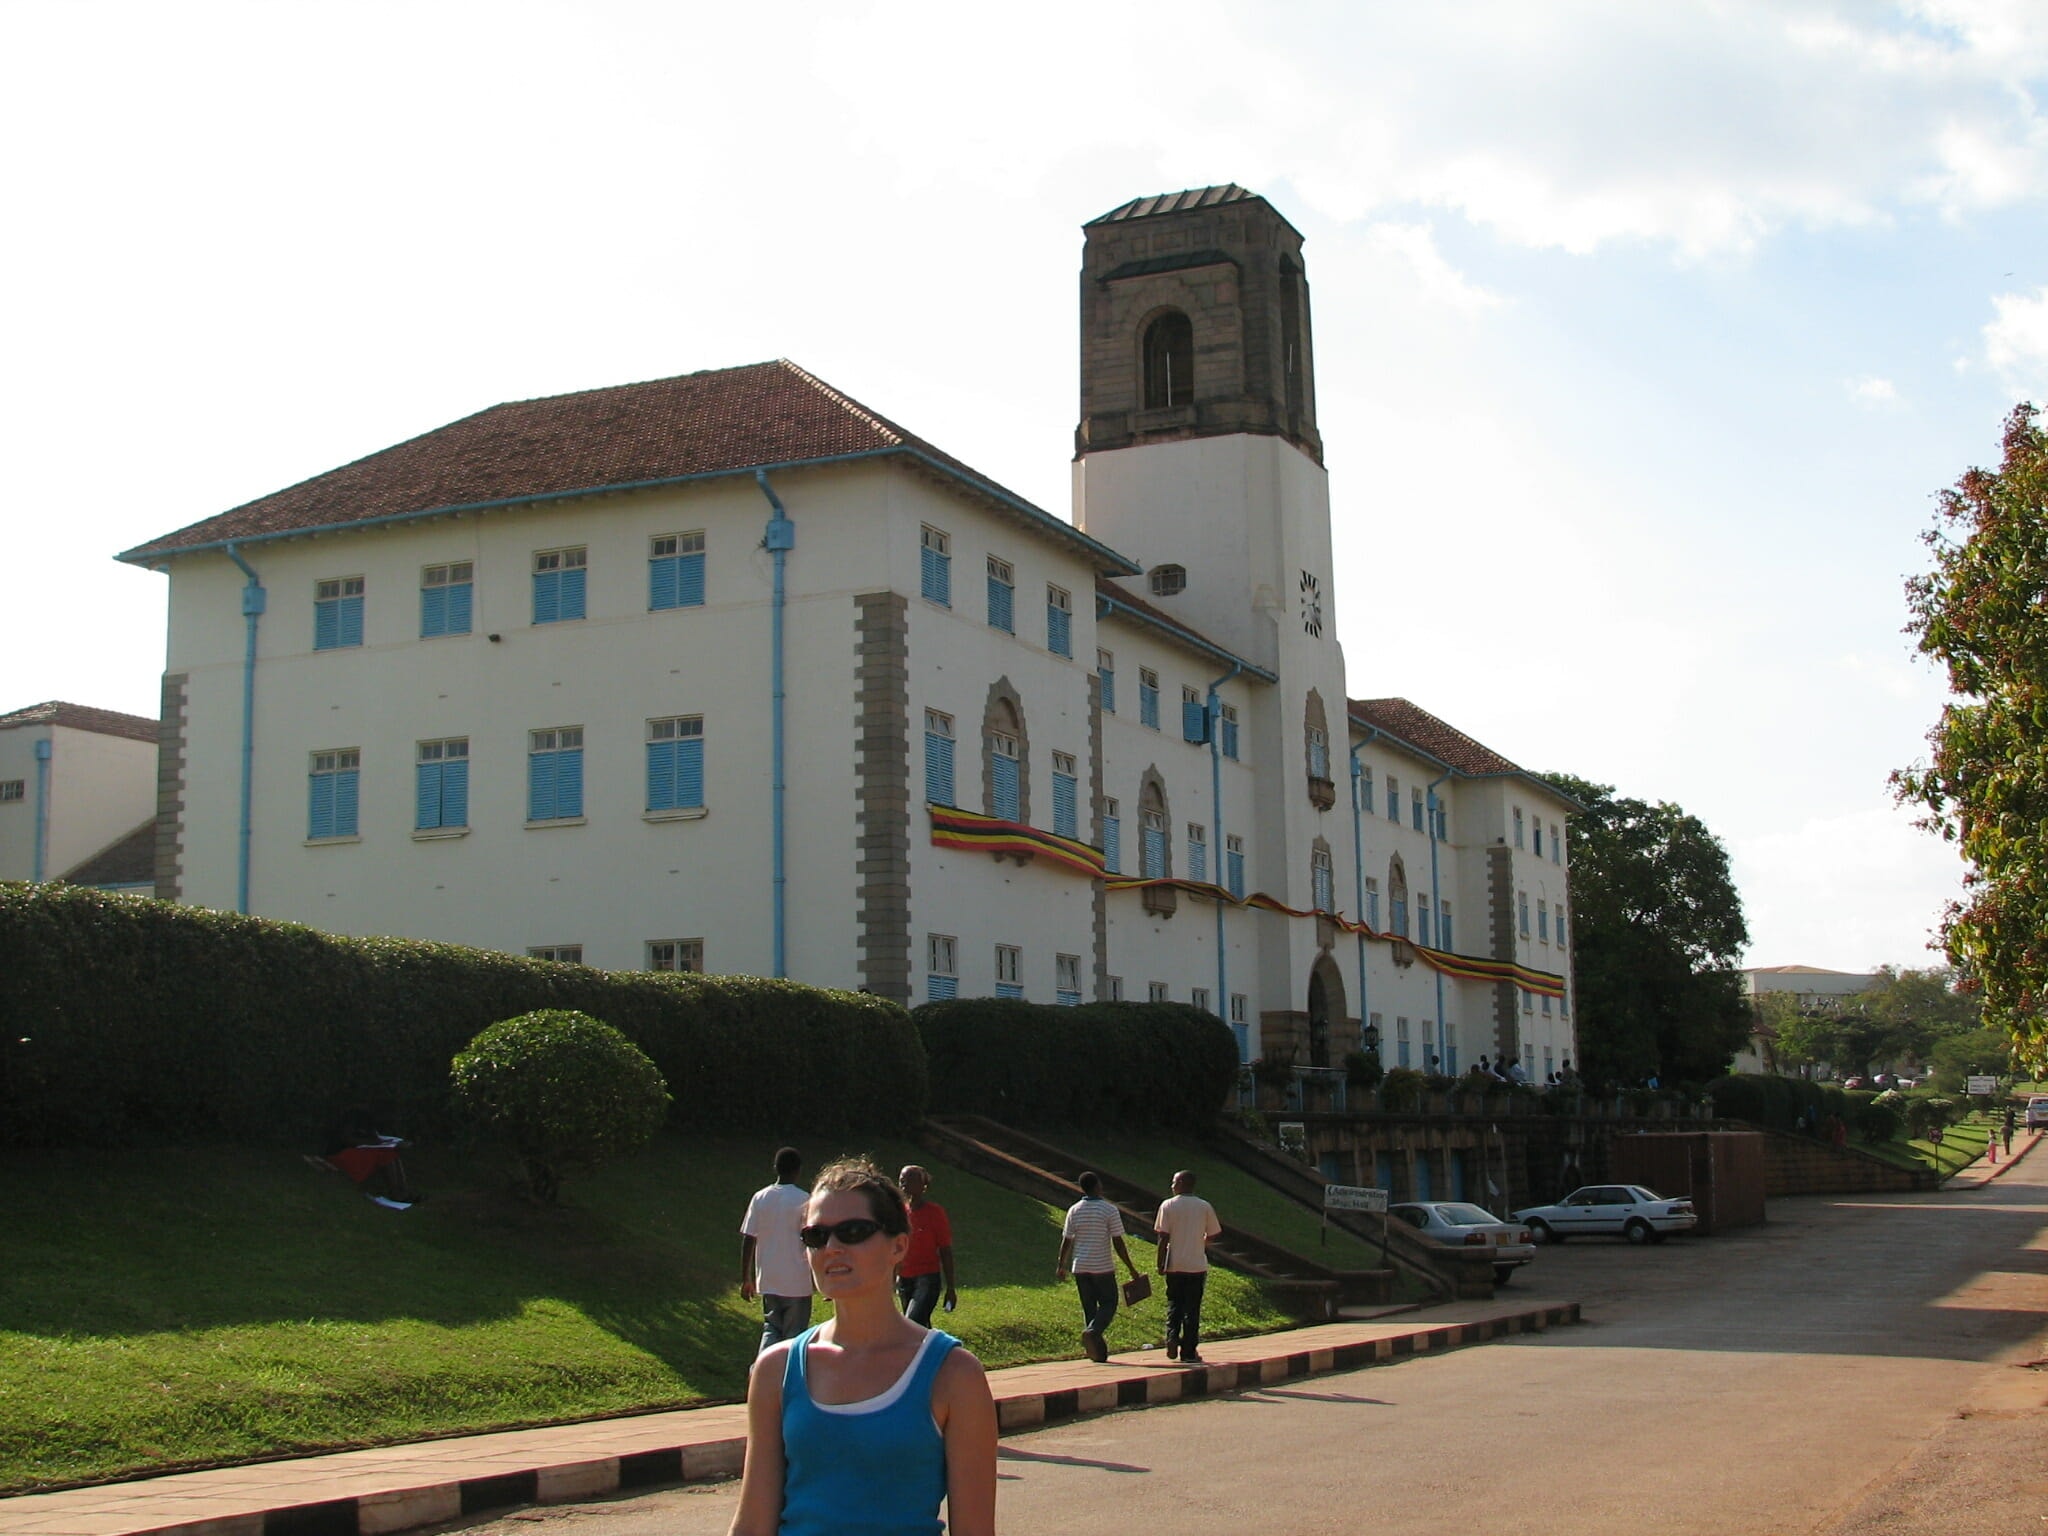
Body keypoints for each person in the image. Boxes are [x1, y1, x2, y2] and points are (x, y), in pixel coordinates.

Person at [728, 1157, 996, 1536]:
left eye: (853, 1231)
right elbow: (753, 1524)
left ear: (898, 1246)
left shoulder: (954, 1374)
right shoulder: (776, 1370)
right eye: (815, 1236)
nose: (832, 1247)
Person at [1056, 1171, 1141, 1363]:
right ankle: (1093, 1332)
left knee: (1089, 1308)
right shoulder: (1109, 1210)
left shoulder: (1074, 1210)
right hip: (1101, 1266)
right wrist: (1131, 1268)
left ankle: (1096, 1352)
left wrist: (1061, 1264)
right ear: (1097, 1186)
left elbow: (1067, 1240)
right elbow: (1118, 1242)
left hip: (1080, 1266)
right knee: (1109, 1302)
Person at [741, 1147, 814, 1356]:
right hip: (797, 1280)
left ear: (775, 1168)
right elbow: (813, 1240)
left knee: (771, 1328)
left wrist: (746, 1277)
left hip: (769, 1278)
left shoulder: (761, 1197)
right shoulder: (805, 1200)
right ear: (798, 1170)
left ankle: (761, 1372)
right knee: (795, 1334)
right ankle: (787, 1380)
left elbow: (749, 1238)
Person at [1153, 1170, 1222, 1364]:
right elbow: (1214, 1232)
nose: (1172, 1186)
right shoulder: (1204, 1206)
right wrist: (1203, 1242)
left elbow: (1163, 1236)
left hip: (1175, 1264)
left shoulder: (1168, 1205)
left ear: (1183, 1183)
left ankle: (1172, 1335)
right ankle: (1189, 1351)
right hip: (1196, 1264)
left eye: (1174, 1182)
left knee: (1174, 1303)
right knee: (1192, 1308)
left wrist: (1160, 1262)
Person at [895, 1165, 957, 1327]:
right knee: (919, 1329)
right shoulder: (899, 1213)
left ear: (923, 1186)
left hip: (927, 1279)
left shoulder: (935, 1213)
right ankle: (931, 1351)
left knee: (911, 1325)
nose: (904, 1185)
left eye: (910, 1180)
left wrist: (951, 1288)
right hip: (904, 1279)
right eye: (902, 1180)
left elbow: (945, 1250)